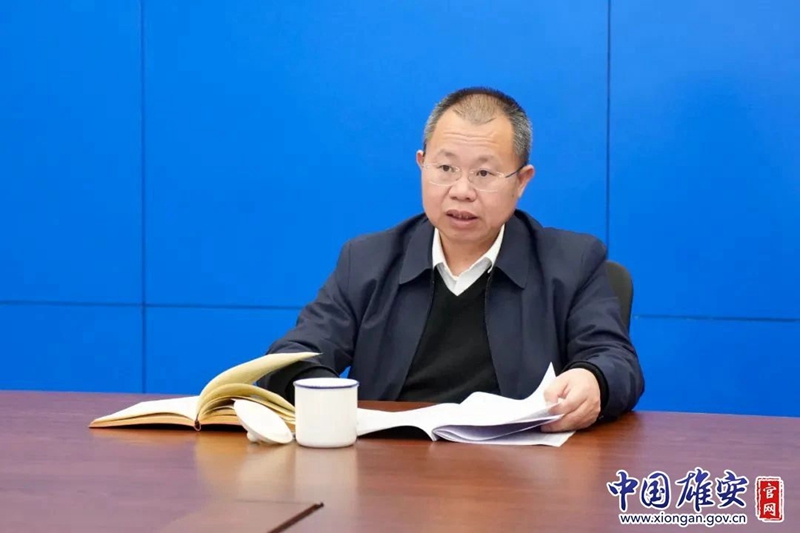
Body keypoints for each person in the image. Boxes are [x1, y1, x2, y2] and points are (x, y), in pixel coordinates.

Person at [257, 87, 644, 431]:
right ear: (421, 164)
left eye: (484, 173)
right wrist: (325, 395)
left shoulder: (572, 262)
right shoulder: (366, 261)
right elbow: (291, 357)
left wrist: (594, 379)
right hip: (389, 467)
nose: (461, 191)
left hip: (521, 472)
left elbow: (615, 360)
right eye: (445, 168)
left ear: (521, 181)